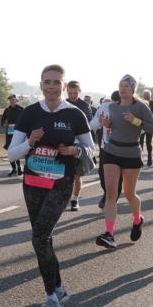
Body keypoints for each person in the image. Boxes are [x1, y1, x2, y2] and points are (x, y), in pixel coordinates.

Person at [6, 64, 95, 307]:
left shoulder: (75, 114)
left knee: (40, 236)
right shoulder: (30, 114)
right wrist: (30, 143)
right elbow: (12, 154)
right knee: (42, 239)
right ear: (41, 85)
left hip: (61, 182)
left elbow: (92, 150)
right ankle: (59, 287)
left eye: (57, 82)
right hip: (33, 182)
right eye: (47, 82)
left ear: (64, 86)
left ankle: (52, 300)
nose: (52, 86)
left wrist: (74, 151)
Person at [91, 75, 153, 249]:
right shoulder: (113, 106)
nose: (123, 89)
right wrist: (106, 123)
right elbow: (114, 126)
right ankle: (109, 234)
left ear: (133, 89)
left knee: (129, 194)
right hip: (111, 151)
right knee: (111, 193)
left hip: (131, 153)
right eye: (121, 86)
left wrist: (135, 121)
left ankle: (137, 219)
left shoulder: (141, 107)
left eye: (127, 86)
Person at [65, 80, 93, 210]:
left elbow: (87, 125)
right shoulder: (62, 104)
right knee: (62, 175)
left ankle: (75, 200)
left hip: (79, 145)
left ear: (79, 91)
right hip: (64, 143)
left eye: (75, 93)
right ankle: (63, 198)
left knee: (77, 176)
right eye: (70, 93)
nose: (72, 95)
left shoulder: (84, 105)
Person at [1, 94, 24, 176]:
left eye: (13, 100)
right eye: (10, 100)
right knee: (10, 151)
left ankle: (19, 168)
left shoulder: (21, 109)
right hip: (9, 133)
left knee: (16, 150)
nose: (11, 101)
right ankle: (14, 169)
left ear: (16, 100)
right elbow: (2, 121)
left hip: (19, 133)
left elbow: (26, 120)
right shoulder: (7, 110)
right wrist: (4, 124)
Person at [139, 89, 153, 166]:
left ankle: (149, 158)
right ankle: (140, 159)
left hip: (150, 126)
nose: (146, 97)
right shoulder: (140, 103)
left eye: (147, 95)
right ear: (142, 96)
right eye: (145, 95)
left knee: (149, 143)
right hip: (141, 125)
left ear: (150, 96)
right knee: (140, 143)